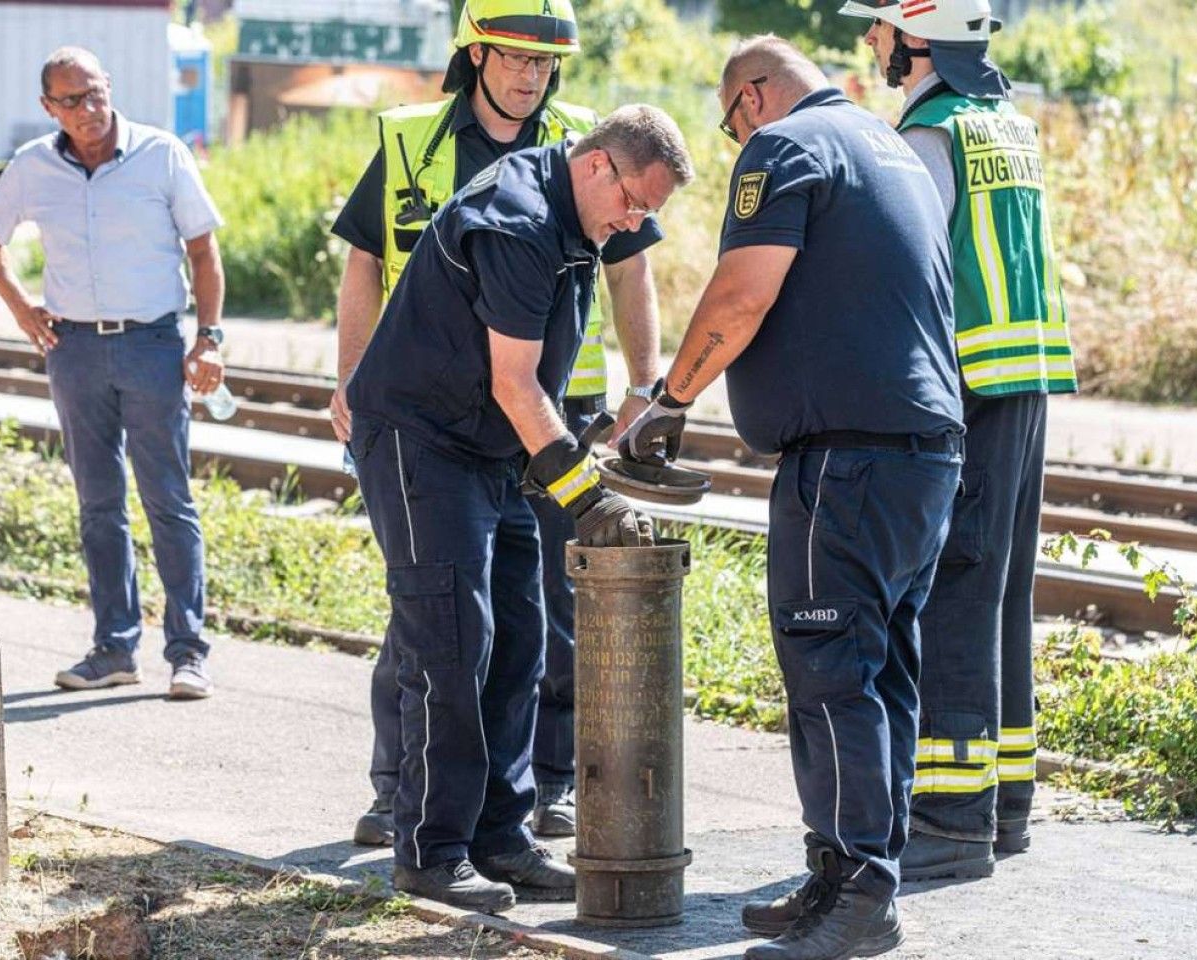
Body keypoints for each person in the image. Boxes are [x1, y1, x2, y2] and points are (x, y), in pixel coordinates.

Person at [615, 37, 962, 960]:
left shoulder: (787, 147)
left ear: (755, 96)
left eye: (732, 125)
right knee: (880, 672)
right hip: (923, 456)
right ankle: (843, 873)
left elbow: (742, 292)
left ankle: (861, 895)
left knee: (830, 673)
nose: (738, 143)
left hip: (843, 465)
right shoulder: (888, 147)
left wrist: (670, 401)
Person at [327, 0, 664, 847]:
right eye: (514, 58)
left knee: (521, 627)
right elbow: (367, 262)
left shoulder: (589, 147)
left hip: (528, 424)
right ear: (476, 55)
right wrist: (348, 376)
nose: (530, 76)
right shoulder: (426, 149)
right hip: (436, 418)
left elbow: (630, 272)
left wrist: (645, 385)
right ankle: (425, 830)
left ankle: (503, 824)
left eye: (545, 64)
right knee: (444, 625)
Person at [840, 0, 1078, 878]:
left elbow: (914, 261)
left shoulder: (933, 132)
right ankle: (1007, 806)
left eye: (881, 29)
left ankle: (951, 819)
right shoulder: (1005, 123)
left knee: (956, 593)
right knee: (1006, 590)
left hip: (969, 382)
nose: (872, 42)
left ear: (919, 38)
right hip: (1028, 376)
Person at [0, 47, 225, 700]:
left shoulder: (161, 153)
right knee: (98, 506)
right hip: (75, 351)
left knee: (168, 500)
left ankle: (187, 651)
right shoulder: (32, 166)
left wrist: (209, 338)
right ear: (48, 107)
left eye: (96, 93)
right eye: (72, 100)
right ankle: (114, 647)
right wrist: (22, 307)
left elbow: (203, 251)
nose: (89, 109)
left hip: (152, 347)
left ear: (108, 88)